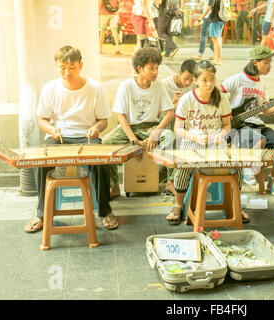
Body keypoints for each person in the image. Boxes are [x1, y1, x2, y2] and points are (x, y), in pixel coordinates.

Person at [24, 46, 118, 233]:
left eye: (72, 67)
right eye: (62, 67)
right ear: (56, 66)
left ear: (81, 65)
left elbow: (103, 121)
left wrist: (95, 128)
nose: (67, 72)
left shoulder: (95, 88)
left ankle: (105, 211)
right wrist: (52, 129)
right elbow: (42, 119)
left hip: (86, 137)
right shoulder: (50, 88)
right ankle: (41, 212)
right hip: (59, 138)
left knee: (102, 161)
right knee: (40, 162)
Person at [166, 60, 250, 224]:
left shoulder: (222, 99)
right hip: (192, 139)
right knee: (183, 167)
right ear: (196, 80)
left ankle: (236, 204)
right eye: (204, 79)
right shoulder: (187, 100)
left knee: (237, 167)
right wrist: (194, 137)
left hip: (215, 140)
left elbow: (227, 125)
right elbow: (178, 128)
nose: (209, 83)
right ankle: (178, 205)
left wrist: (220, 135)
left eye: (212, 78)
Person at [104, 47, 175, 196]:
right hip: (129, 128)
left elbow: (170, 113)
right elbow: (121, 116)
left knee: (171, 137)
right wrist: (132, 139)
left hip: (150, 127)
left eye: (157, 68)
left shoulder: (159, 85)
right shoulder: (126, 86)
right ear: (139, 68)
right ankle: (114, 186)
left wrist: (156, 132)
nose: (155, 72)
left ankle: (170, 182)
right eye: (151, 68)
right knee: (105, 145)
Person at [220, 46, 274, 196]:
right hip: (239, 124)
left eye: (270, 62)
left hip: (257, 123)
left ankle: (273, 179)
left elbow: (266, 111)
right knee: (259, 140)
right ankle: (247, 170)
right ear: (255, 62)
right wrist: (225, 112)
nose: (269, 66)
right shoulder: (238, 79)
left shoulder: (261, 85)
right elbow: (218, 92)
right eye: (266, 62)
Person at [160, 58, 197, 195]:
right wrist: (172, 103)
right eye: (186, 78)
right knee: (173, 135)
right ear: (180, 72)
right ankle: (171, 182)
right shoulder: (163, 85)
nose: (187, 83)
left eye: (191, 80)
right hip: (166, 122)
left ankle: (177, 179)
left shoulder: (193, 86)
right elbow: (156, 111)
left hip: (184, 123)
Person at [194, 0, 224, 65]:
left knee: (215, 39)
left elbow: (209, 8)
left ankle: (218, 60)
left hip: (214, 19)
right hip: (221, 18)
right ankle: (217, 58)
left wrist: (199, 19)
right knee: (218, 39)